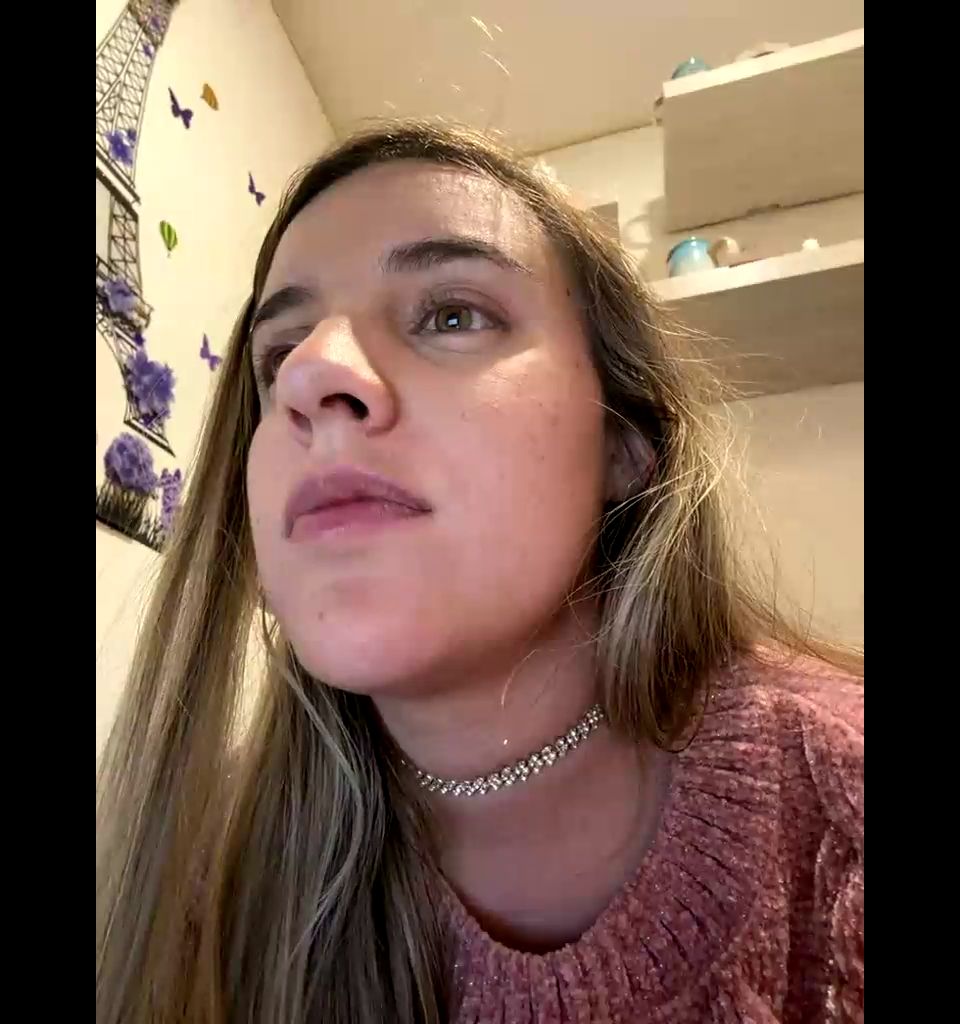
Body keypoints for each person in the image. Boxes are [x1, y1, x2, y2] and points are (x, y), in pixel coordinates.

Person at [96, 121, 863, 1024]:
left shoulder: (841, 797)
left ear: (622, 443)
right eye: (279, 353)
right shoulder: (197, 872)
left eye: (452, 315)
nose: (311, 377)